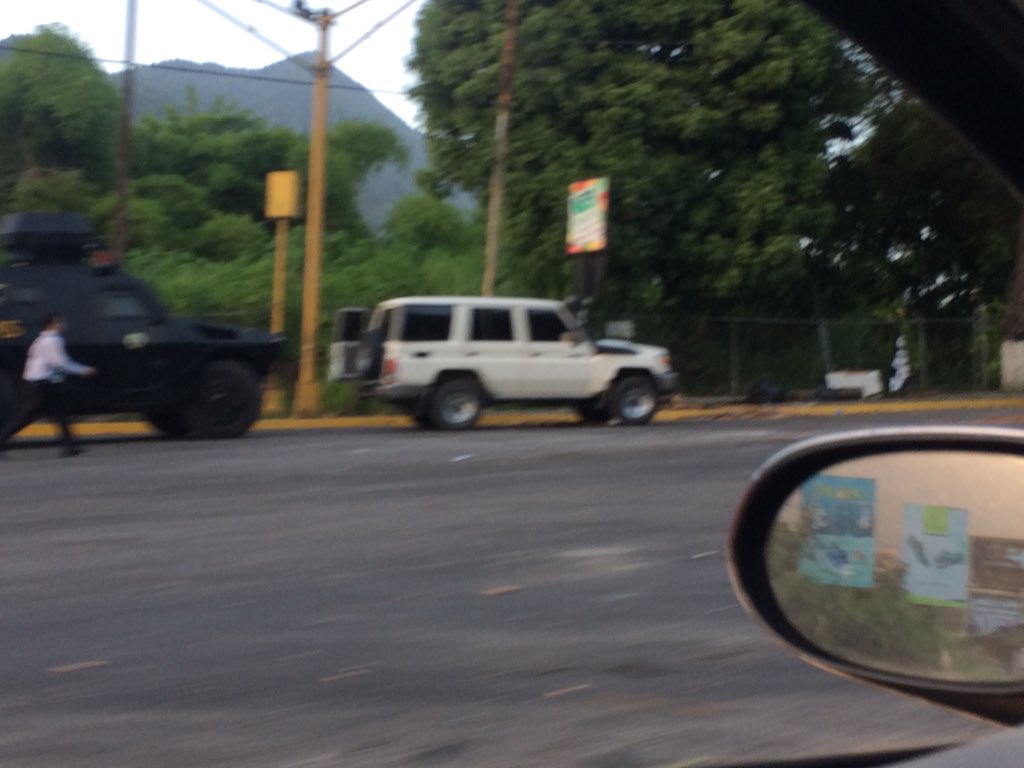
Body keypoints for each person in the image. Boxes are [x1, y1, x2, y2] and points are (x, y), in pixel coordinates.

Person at [0, 312, 97, 457]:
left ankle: (69, 447)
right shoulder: (53, 340)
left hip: (40, 384)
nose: (64, 324)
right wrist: (82, 370)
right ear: (53, 324)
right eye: (61, 322)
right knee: (24, 418)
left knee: (59, 414)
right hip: (41, 385)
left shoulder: (40, 340)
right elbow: (59, 362)